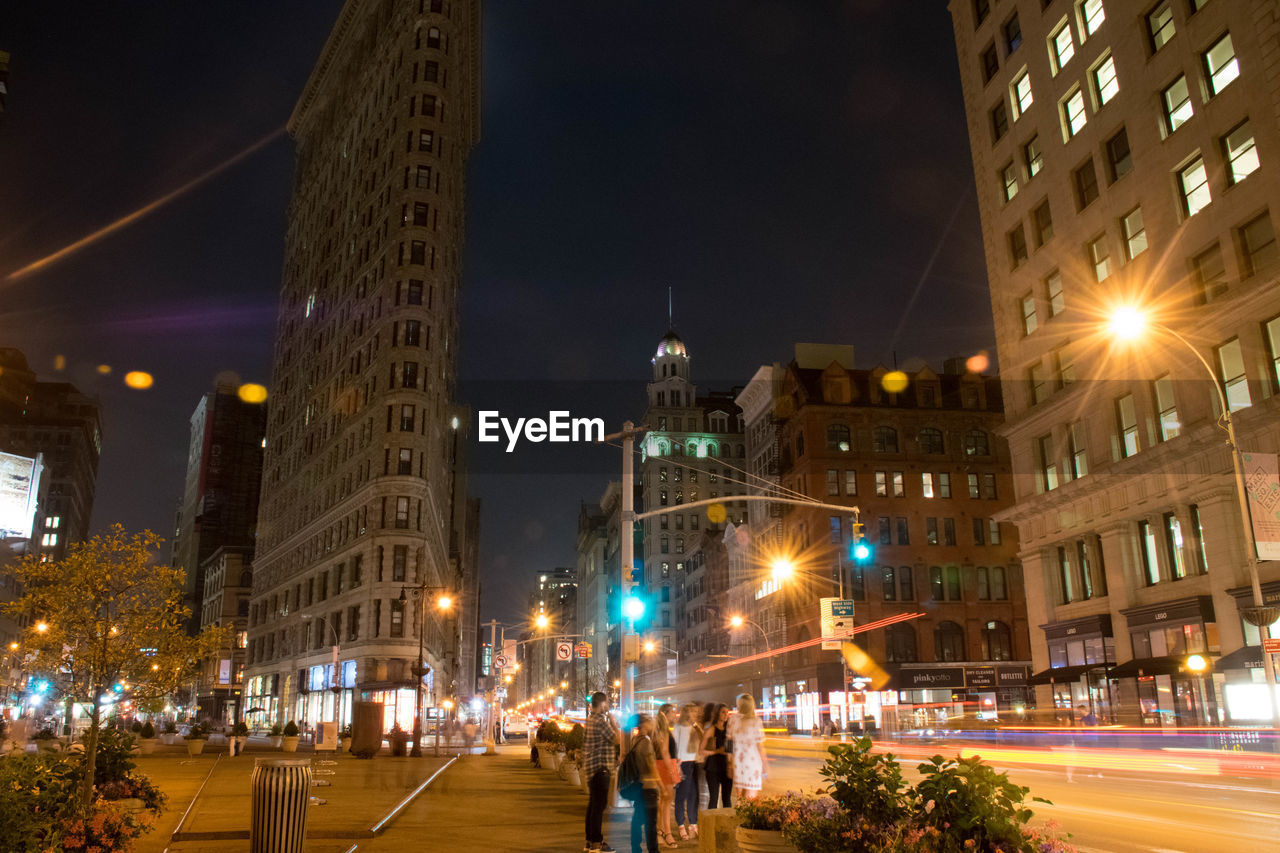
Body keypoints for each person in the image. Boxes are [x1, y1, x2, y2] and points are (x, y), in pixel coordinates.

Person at [583, 692, 620, 853]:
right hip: (601, 768)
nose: (608, 706)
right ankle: (597, 843)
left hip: (592, 768)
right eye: (607, 703)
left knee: (593, 805)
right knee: (599, 806)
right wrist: (613, 723)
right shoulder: (601, 722)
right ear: (602, 704)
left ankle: (590, 841)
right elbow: (617, 739)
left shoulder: (590, 720)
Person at [620, 714, 661, 853]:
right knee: (651, 824)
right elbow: (651, 766)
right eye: (650, 721)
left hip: (639, 785)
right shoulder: (646, 742)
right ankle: (653, 850)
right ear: (644, 724)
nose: (653, 723)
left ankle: (636, 849)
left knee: (637, 820)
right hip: (648, 786)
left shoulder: (635, 739)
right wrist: (661, 785)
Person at [728, 693, 767, 801]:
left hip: (738, 763)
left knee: (740, 798)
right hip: (753, 763)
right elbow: (760, 746)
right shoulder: (756, 721)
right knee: (751, 799)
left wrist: (729, 763)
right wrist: (765, 765)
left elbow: (729, 743)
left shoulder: (732, 719)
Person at [653, 703, 680, 849]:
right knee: (667, 801)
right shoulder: (664, 729)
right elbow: (665, 751)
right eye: (672, 712)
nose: (675, 715)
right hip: (665, 766)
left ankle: (661, 831)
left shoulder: (659, 729)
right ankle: (667, 833)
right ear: (666, 713)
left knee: (663, 801)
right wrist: (673, 769)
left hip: (661, 765)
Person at [672, 703, 701, 840]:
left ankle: (693, 823)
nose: (695, 714)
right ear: (686, 713)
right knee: (681, 796)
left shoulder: (694, 728)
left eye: (696, 711)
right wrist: (676, 767)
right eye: (692, 712)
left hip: (693, 764)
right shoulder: (678, 727)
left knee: (693, 796)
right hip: (682, 764)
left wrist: (697, 727)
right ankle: (681, 825)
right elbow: (674, 747)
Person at [700, 703, 731, 808]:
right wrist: (717, 751)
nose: (726, 715)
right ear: (717, 713)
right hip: (713, 768)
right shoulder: (711, 729)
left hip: (726, 767)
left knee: (727, 799)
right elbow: (701, 750)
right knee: (713, 798)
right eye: (723, 712)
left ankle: (727, 823)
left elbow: (732, 749)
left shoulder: (729, 730)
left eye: (727, 712)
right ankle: (711, 823)